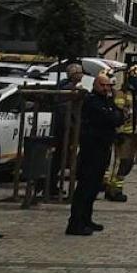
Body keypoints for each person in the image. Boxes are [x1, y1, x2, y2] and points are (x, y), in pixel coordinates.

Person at [66, 70, 123, 236]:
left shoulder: (107, 100)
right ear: (95, 85)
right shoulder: (92, 101)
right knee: (85, 187)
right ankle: (75, 223)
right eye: (102, 85)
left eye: (108, 86)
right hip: (91, 150)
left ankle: (86, 219)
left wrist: (114, 113)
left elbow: (119, 117)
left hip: (103, 148)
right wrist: (113, 114)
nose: (106, 88)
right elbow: (111, 118)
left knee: (94, 188)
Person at [103, 65, 137, 202]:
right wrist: (118, 132)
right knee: (121, 162)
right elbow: (118, 114)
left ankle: (114, 186)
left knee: (127, 163)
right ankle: (113, 189)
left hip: (132, 134)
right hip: (123, 134)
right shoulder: (122, 94)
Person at [44, 62, 84, 197]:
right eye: (80, 73)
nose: (82, 75)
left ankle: (50, 185)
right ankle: (50, 186)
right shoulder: (69, 88)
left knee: (60, 158)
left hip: (64, 128)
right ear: (73, 75)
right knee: (59, 158)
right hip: (63, 129)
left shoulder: (65, 86)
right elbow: (67, 109)